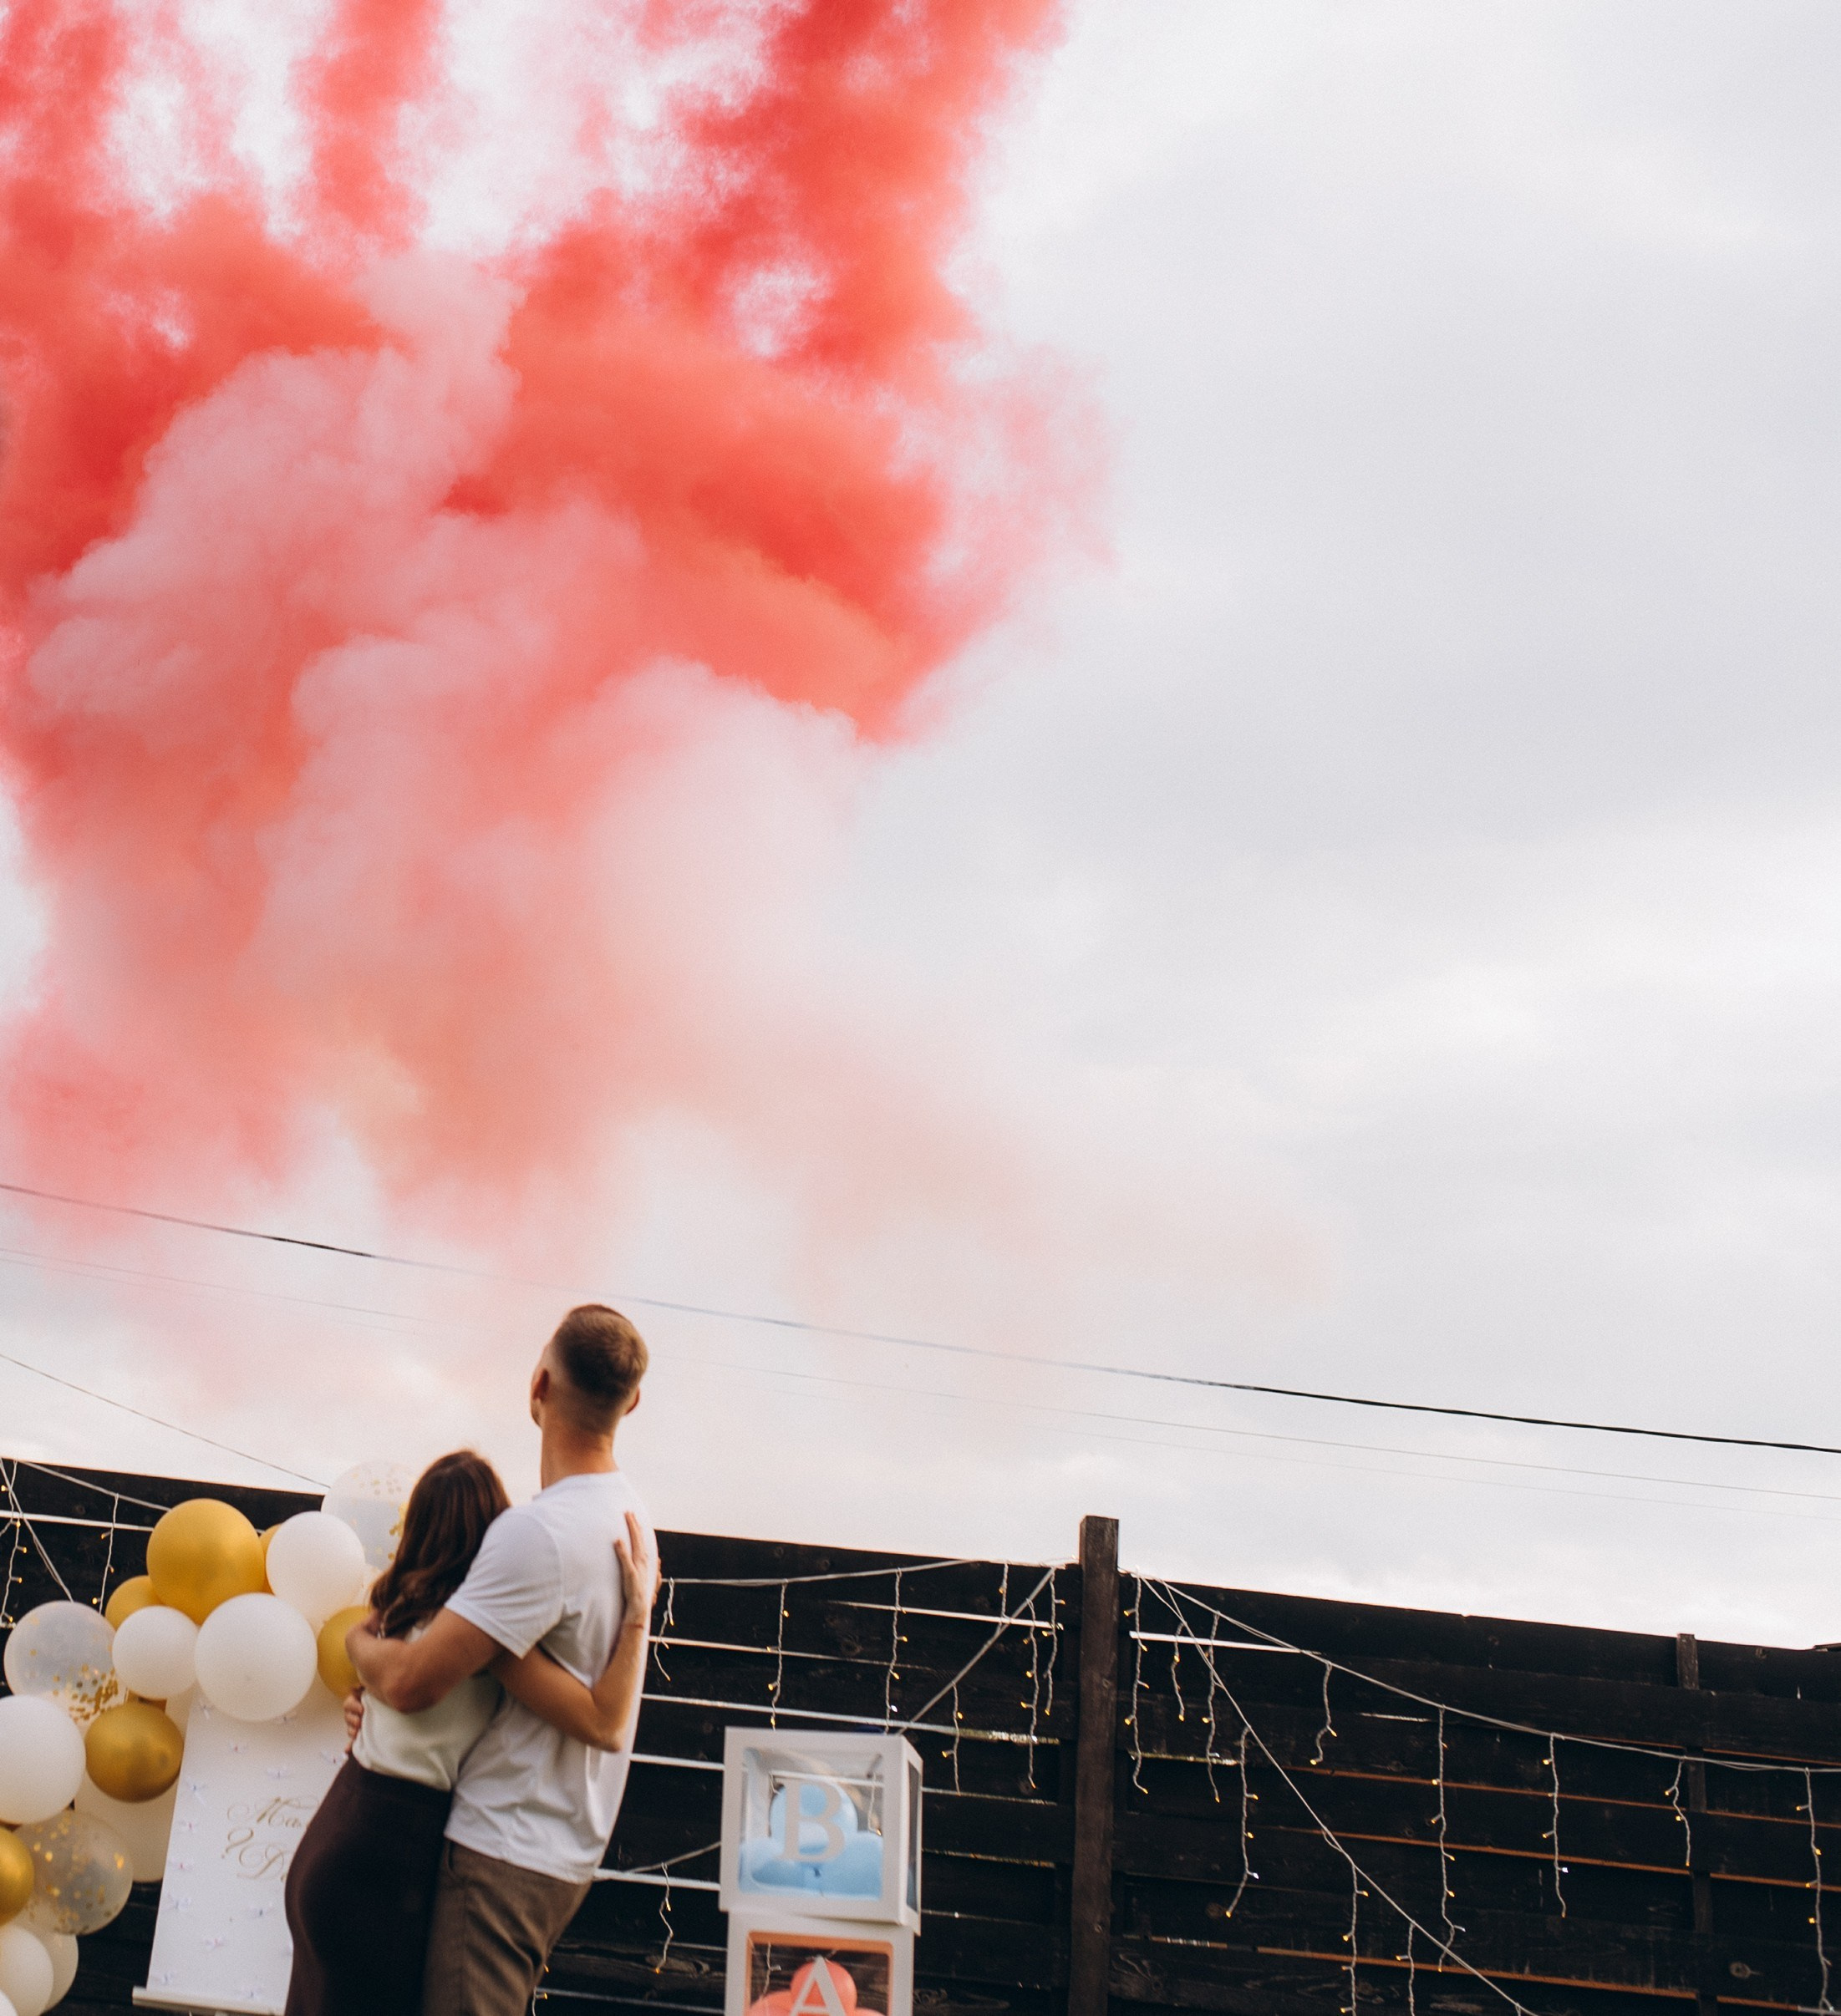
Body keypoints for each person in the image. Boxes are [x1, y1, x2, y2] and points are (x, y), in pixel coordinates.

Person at [345, 1303, 654, 2016]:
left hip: (502, 1849)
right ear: (631, 1401)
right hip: (560, 1845)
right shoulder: (630, 1519)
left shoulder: (537, 1534)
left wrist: (355, 1641)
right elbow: (526, 1678)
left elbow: (414, 1683)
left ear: (538, 1385)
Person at [283, 1444, 656, 2016]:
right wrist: (635, 1618)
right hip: (390, 1851)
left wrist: (359, 1657)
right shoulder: (479, 1639)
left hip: (340, 1826)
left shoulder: (402, 1611)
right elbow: (603, 1720)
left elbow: (384, 1664)